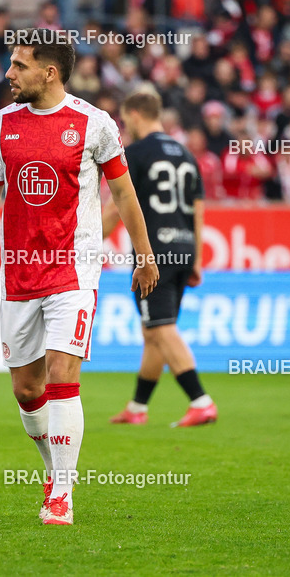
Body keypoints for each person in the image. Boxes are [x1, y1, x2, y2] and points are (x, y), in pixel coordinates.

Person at [0, 29, 159, 526]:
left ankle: (62, 495)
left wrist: (145, 253)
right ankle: (54, 471)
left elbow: (125, 194)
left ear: (49, 73)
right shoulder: (3, 123)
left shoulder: (95, 124)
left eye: (19, 66)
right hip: (19, 275)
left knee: (63, 375)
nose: (8, 74)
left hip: (74, 270)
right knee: (28, 391)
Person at [103, 90, 216, 427]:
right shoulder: (185, 154)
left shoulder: (135, 153)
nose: (125, 127)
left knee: (161, 328)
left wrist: (86, 241)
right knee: (153, 329)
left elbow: (116, 205)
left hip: (156, 254)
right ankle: (138, 408)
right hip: (184, 249)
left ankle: (201, 401)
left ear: (136, 114)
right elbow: (198, 209)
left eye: (125, 120)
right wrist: (196, 257)